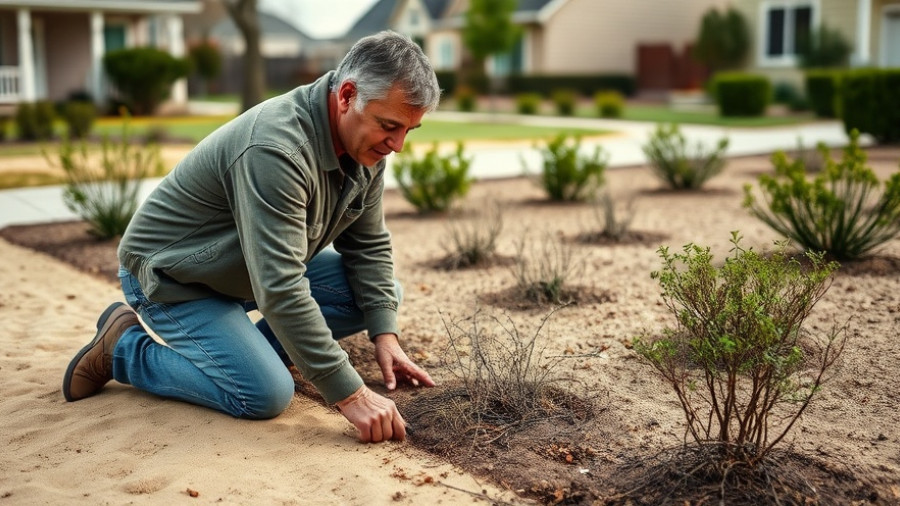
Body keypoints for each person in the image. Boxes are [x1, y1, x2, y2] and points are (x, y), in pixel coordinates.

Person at [62, 31, 440, 443]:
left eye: (409, 130)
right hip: (174, 276)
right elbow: (279, 286)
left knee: (379, 298)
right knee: (264, 393)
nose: (398, 145)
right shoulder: (276, 148)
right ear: (347, 95)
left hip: (242, 269)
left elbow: (367, 246)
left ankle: (244, 353)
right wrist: (350, 394)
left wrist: (386, 335)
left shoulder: (367, 147)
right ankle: (124, 350)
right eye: (390, 126)